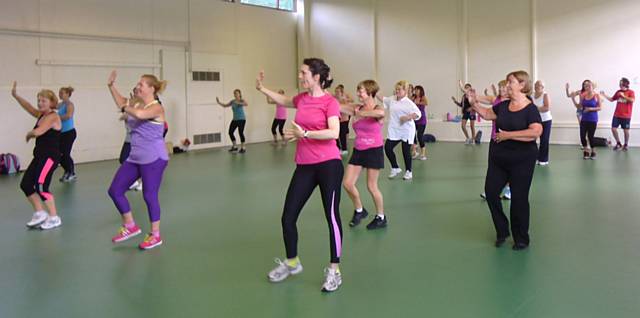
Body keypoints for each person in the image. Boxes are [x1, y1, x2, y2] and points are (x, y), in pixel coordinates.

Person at [256, 58, 344, 293]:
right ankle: (292, 262)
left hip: (329, 165)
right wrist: (262, 88)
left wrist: (305, 133)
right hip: (305, 165)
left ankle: (334, 270)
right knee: (288, 217)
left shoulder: (330, 102)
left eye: (303, 73)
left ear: (316, 77)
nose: (300, 76)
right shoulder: (302, 99)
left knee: (332, 217)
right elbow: (285, 100)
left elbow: (334, 132)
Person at [468, 71, 542, 250]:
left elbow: (535, 132)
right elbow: (487, 114)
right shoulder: (503, 105)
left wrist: (508, 135)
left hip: (522, 160)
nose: (507, 86)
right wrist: (473, 103)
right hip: (499, 158)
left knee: (519, 199)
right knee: (491, 193)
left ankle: (521, 238)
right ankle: (502, 230)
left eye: (511, 82)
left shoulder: (530, 108)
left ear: (522, 85)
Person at [107, 70, 169, 250]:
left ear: (151, 88)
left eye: (141, 84)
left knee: (149, 195)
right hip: (135, 157)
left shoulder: (156, 107)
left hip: (154, 158)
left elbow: (140, 115)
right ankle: (130, 226)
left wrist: (125, 107)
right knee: (115, 190)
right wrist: (111, 86)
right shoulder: (137, 104)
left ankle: (155, 235)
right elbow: (122, 103)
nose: (138, 86)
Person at [11, 81, 63, 230]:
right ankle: (40, 213)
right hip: (39, 156)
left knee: (41, 186)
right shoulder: (42, 114)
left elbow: (39, 131)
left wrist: (29, 134)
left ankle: (54, 217)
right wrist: (16, 96)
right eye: (39, 100)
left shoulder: (53, 116)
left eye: (43, 101)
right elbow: (28, 106)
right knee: (26, 184)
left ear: (51, 103)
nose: (40, 103)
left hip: (50, 158)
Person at [340, 80, 387, 230]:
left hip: (374, 150)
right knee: (347, 183)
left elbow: (380, 113)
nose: (358, 93)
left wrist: (361, 114)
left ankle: (381, 217)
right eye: (358, 90)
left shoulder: (377, 108)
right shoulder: (355, 107)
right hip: (359, 150)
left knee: (372, 186)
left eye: (361, 91)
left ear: (370, 92)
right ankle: (360, 210)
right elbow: (338, 107)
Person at [377, 81, 421, 180]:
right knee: (388, 148)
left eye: (399, 89)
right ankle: (395, 167)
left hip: (406, 130)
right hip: (394, 129)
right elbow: (383, 99)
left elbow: (418, 114)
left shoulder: (408, 103)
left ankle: (409, 171)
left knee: (405, 151)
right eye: (396, 89)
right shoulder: (392, 99)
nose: (397, 91)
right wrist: (374, 91)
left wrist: (408, 117)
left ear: (405, 91)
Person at [567, 81, 601, 159]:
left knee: (590, 136)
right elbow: (579, 107)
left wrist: (590, 109)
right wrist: (573, 99)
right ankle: (586, 151)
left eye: (589, 86)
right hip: (584, 119)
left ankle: (593, 151)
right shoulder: (583, 95)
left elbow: (600, 107)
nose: (587, 87)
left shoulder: (596, 95)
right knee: (582, 136)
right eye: (586, 86)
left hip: (592, 119)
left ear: (592, 87)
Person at [601, 77, 635, 151]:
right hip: (617, 115)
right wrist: (604, 95)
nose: (620, 85)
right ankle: (618, 143)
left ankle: (626, 144)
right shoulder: (618, 92)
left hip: (626, 115)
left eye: (622, 83)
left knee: (626, 130)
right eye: (620, 84)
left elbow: (632, 100)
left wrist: (623, 96)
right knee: (613, 129)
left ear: (626, 84)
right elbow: (611, 99)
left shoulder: (631, 92)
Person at [217, 90, 248, 154]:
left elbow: (246, 104)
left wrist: (238, 103)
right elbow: (225, 105)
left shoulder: (241, 100)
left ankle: (243, 148)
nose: (235, 94)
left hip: (242, 119)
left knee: (241, 133)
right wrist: (219, 102)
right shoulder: (232, 101)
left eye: (237, 93)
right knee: (230, 132)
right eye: (234, 93)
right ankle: (235, 146)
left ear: (239, 94)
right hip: (235, 119)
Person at [57, 86, 78, 182]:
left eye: (62, 93)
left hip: (69, 133)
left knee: (65, 153)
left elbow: (68, 115)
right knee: (59, 154)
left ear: (67, 94)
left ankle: (71, 173)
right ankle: (67, 171)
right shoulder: (60, 104)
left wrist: (56, 118)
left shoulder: (70, 105)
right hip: (61, 133)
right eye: (59, 92)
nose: (60, 94)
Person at [533, 81, 552, 165]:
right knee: (532, 139)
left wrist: (535, 108)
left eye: (539, 85)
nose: (537, 87)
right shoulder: (531, 95)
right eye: (536, 85)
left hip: (546, 120)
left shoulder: (545, 95)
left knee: (544, 140)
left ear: (542, 87)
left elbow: (547, 108)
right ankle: (536, 157)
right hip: (535, 120)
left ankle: (544, 159)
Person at [334, 84, 353, 155]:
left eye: (338, 92)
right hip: (336, 119)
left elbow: (351, 101)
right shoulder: (334, 98)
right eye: (336, 91)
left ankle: (344, 149)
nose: (336, 93)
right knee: (336, 134)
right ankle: (338, 148)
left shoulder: (344, 98)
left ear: (341, 92)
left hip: (344, 118)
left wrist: (345, 100)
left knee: (343, 134)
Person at [411, 85, 428, 160]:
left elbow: (426, 103)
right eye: (416, 90)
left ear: (421, 91)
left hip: (422, 120)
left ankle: (423, 154)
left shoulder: (423, 97)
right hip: (414, 119)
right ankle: (414, 152)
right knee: (412, 136)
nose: (416, 91)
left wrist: (418, 103)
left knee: (420, 136)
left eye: (418, 90)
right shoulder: (413, 97)